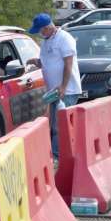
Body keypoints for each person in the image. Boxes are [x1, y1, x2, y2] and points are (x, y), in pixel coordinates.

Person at [27, 13, 82, 160]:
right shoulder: (46, 41)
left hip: (66, 91)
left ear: (47, 27)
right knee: (53, 126)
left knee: (60, 126)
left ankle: (58, 158)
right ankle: (56, 155)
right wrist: (36, 62)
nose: (39, 33)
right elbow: (48, 61)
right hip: (53, 92)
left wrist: (63, 86)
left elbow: (68, 64)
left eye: (40, 30)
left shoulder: (64, 38)